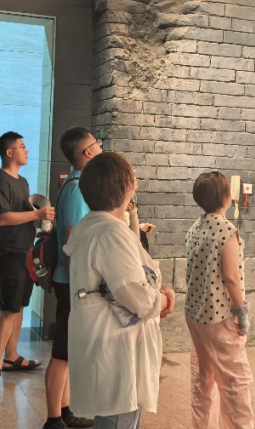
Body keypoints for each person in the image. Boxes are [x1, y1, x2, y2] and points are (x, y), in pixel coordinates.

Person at [64, 152, 175, 429]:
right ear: (124, 187)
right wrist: (162, 299)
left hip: (109, 342)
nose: (136, 181)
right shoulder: (110, 233)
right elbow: (138, 298)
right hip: (116, 348)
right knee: (118, 420)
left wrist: (155, 292)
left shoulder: (97, 226)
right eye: (132, 176)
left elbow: (126, 279)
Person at [184, 171, 254, 429]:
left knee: (204, 377)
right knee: (235, 382)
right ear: (226, 196)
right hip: (219, 316)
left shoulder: (196, 226)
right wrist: (242, 313)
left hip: (195, 313)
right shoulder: (227, 231)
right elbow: (231, 278)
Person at [0, 132, 52, 390]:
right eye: (22, 147)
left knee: (20, 305)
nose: (27, 151)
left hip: (25, 251)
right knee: (8, 308)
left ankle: (11, 356)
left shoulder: (22, 181)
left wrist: (40, 218)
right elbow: (1, 218)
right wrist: (36, 214)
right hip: (8, 252)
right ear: (9, 152)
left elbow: (23, 215)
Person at [43, 127, 101, 429]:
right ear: (88, 151)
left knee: (68, 352)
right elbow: (72, 242)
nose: (100, 147)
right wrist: (84, 283)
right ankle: (54, 418)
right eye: (97, 143)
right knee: (62, 353)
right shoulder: (78, 189)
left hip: (69, 280)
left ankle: (66, 411)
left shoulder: (74, 184)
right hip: (71, 281)